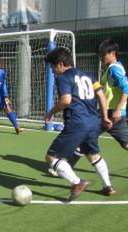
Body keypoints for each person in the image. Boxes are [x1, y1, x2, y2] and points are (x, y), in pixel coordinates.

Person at [67, 39, 128, 184]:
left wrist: (118, 110)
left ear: (113, 53)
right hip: (114, 114)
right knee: (127, 144)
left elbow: (127, 88)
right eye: (99, 55)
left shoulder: (114, 69)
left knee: (85, 137)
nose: (101, 58)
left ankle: (66, 167)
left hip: (110, 113)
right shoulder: (113, 68)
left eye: (103, 54)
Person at [44, 47, 114, 202]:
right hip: (93, 122)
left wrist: (50, 113)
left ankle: (77, 183)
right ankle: (108, 186)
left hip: (77, 122)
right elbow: (102, 96)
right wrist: (104, 116)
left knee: (51, 157)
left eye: (53, 67)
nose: (53, 71)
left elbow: (66, 100)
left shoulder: (63, 77)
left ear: (60, 64)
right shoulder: (89, 76)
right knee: (93, 155)